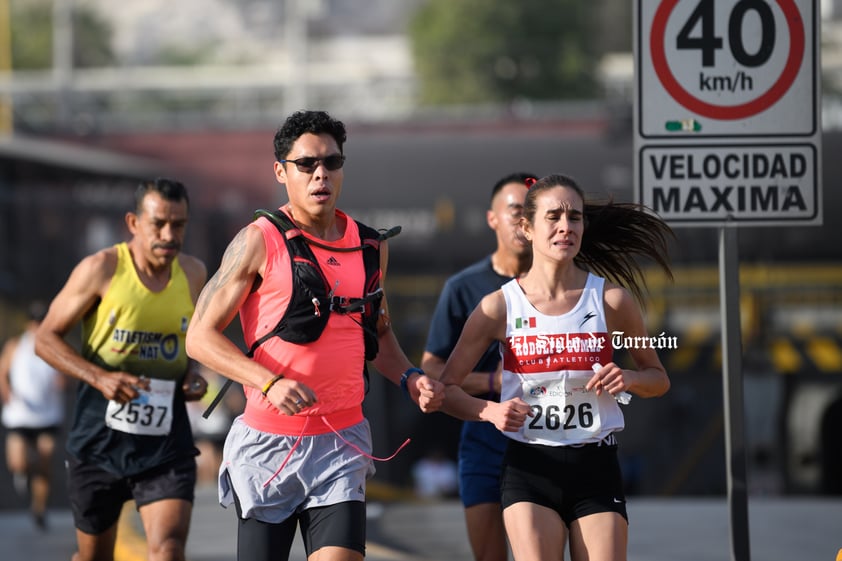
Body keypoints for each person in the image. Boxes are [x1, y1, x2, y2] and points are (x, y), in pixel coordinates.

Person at [184, 109, 444, 561]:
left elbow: (378, 335)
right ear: (281, 171)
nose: (320, 174)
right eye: (306, 164)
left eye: (331, 162)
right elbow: (200, 338)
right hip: (269, 447)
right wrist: (267, 381)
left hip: (340, 443)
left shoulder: (370, 246)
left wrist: (408, 377)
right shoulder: (259, 240)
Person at [418, 173, 674, 561]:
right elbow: (446, 390)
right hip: (529, 467)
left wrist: (632, 377)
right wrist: (491, 411)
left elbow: (659, 379)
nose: (565, 227)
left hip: (595, 464)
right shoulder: (497, 307)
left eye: (575, 217)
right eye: (553, 217)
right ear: (528, 228)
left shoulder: (612, 301)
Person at [34, 178, 209, 561]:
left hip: (165, 444)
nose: (169, 234)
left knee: (167, 549)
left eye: (178, 225)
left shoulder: (194, 274)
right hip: (99, 442)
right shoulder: (101, 269)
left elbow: (194, 340)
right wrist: (99, 377)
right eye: (158, 223)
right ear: (133, 223)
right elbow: (45, 338)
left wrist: (190, 375)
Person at [421, 172, 534, 561]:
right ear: (492, 218)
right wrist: (492, 380)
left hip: (545, 436)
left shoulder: (560, 285)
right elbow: (431, 369)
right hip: (483, 435)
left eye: (532, 212)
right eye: (515, 210)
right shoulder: (464, 287)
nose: (524, 221)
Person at [0, 300, 66, 530]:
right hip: (20, 414)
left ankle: (39, 508)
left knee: (45, 459)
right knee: (18, 461)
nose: (38, 326)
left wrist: (62, 380)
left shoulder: (56, 345)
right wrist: (6, 392)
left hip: (47, 415)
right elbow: (2, 372)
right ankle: (23, 474)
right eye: (35, 322)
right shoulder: (15, 345)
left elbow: (65, 371)